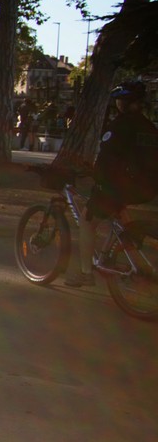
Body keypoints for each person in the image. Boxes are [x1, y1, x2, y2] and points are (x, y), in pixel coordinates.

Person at [66, 80, 158, 287]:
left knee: (87, 221)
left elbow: (107, 159)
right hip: (147, 187)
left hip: (120, 184)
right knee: (116, 207)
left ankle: (85, 273)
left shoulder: (120, 125)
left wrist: (95, 176)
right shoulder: (150, 127)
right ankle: (122, 243)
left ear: (122, 103)